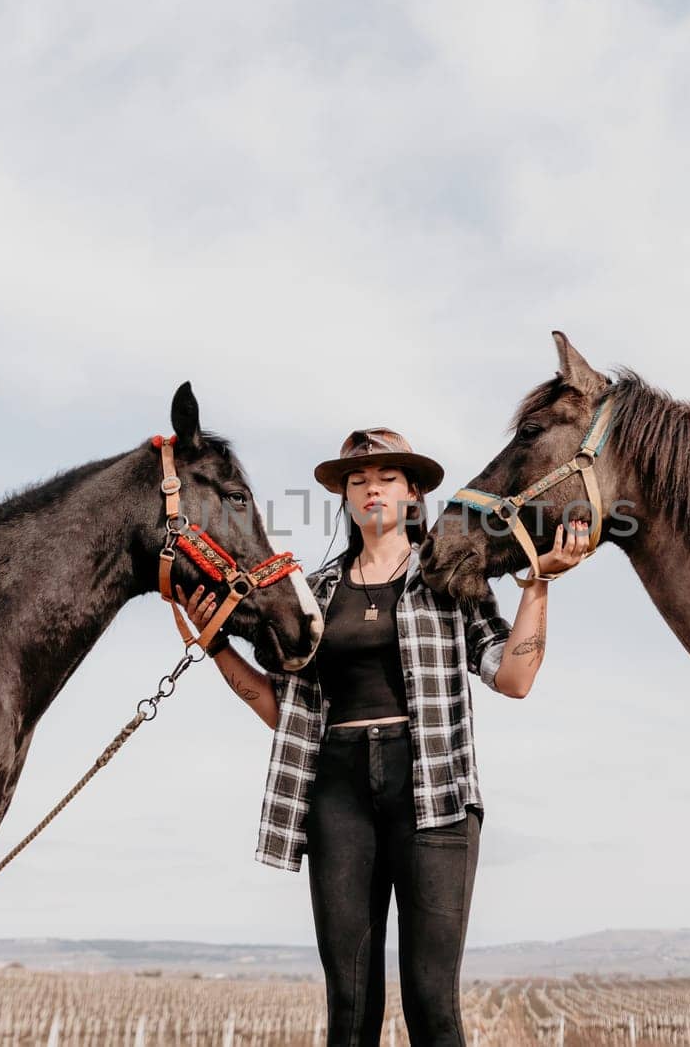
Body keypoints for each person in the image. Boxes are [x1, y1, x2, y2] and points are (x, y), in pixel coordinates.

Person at [176, 426, 587, 1046]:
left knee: (431, 1002)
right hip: (336, 792)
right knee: (349, 1004)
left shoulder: (451, 582)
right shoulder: (314, 595)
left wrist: (537, 583)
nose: (371, 489)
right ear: (344, 498)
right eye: (358, 481)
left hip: (434, 792)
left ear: (413, 495)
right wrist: (215, 648)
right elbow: (282, 710)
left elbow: (515, 675)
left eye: (387, 478)